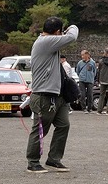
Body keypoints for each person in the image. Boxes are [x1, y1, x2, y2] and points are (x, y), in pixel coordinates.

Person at [25, 17, 79, 173]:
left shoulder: (48, 41)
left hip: (58, 95)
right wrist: (73, 25)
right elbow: (72, 37)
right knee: (41, 129)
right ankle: (33, 162)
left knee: (63, 125)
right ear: (57, 32)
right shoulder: (45, 42)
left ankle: (54, 159)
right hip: (44, 94)